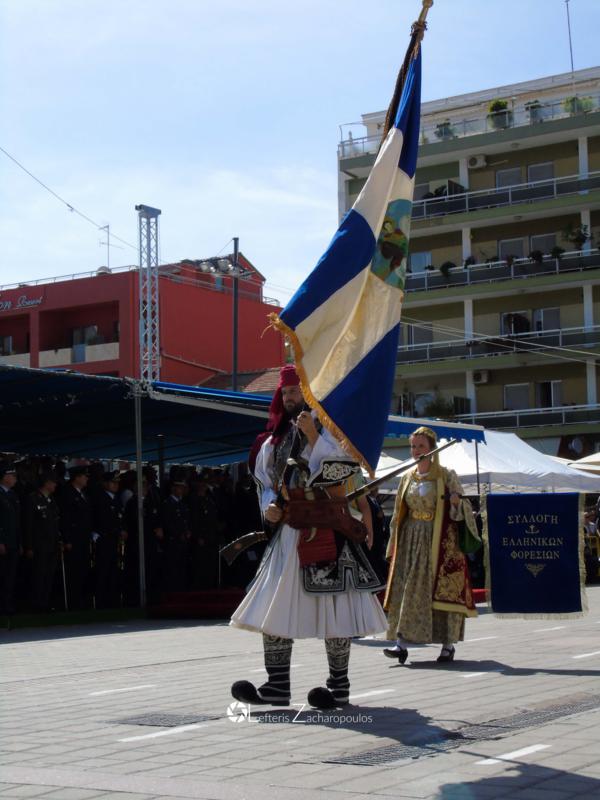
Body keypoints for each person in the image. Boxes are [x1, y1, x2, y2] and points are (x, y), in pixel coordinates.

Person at [230, 364, 386, 710]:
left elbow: (341, 475)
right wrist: (270, 508)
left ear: (310, 394)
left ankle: (339, 687)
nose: (289, 398)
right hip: (288, 532)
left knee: (337, 611)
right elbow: (266, 484)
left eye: (295, 392)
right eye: (285, 393)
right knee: (273, 607)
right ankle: (276, 685)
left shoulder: (333, 433)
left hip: (330, 531)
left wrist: (314, 436)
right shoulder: (272, 441)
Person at [383, 426, 479, 664]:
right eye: (413, 446)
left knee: (438, 589)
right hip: (411, 540)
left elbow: (465, 508)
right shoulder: (407, 477)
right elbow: (398, 513)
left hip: (438, 540)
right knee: (408, 589)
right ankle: (401, 643)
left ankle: (447, 645)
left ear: (432, 449)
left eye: (421, 446)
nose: (416, 451)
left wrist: (456, 503)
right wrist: (393, 543)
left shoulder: (446, 475)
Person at [23, 471, 61, 611]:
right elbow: (28, 524)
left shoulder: (51, 500)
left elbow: (55, 522)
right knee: (38, 575)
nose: (55, 485)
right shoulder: (33, 499)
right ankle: (36, 604)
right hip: (39, 545)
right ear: (47, 483)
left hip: (51, 544)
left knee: (48, 575)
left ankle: (45, 602)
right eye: (53, 482)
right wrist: (29, 546)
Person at [59, 466, 93, 609]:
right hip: (74, 538)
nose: (87, 479)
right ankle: (74, 602)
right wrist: (67, 539)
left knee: (83, 569)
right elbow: (65, 518)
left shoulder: (82, 493)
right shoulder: (67, 493)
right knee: (74, 571)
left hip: (83, 538)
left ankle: (82, 600)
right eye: (84, 476)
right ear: (77, 477)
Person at [0, 461, 21, 614]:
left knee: (10, 576)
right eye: (12, 475)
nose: (15, 478)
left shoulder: (13, 495)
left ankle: (7, 604)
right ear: (4, 476)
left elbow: (17, 521)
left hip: (13, 541)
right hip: (3, 541)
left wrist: (19, 542)